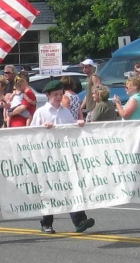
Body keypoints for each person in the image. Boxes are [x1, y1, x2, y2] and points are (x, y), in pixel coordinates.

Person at [29, 80, 95, 234]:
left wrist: (78, 124)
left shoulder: (65, 112)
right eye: (55, 95)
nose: (59, 97)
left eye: (60, 94)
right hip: (48, 157)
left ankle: (80, 221)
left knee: (71, 187)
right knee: (49, 190)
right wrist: (43, 128)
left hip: (65, 157)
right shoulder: (41, 112)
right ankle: (46, 223)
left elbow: (71, 130)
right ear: (48, 96)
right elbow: (31, 134)